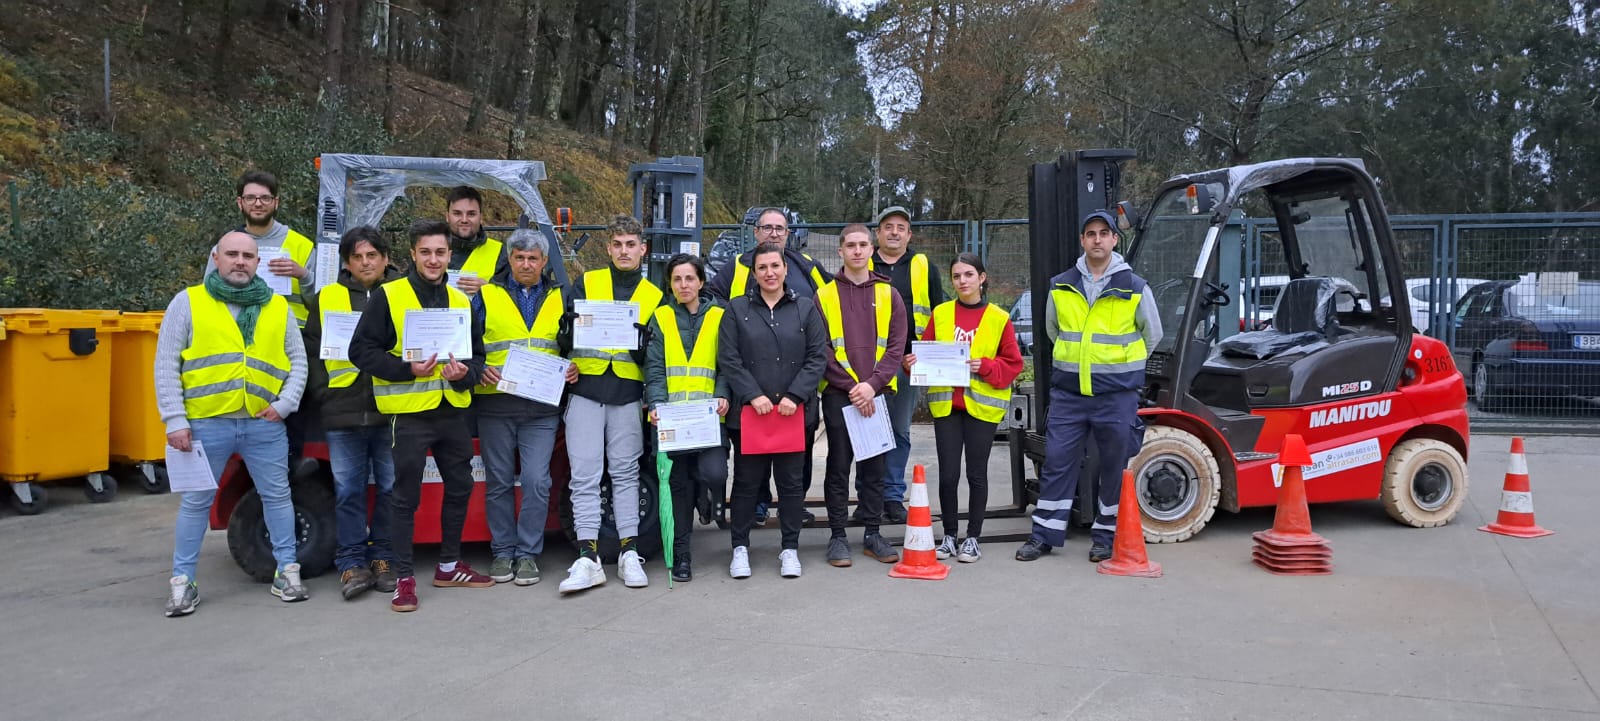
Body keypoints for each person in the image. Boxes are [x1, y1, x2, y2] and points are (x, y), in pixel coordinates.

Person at [155, 231, 309, 616]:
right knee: (195, 503)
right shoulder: (188, 302)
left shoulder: (277, 306)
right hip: (205, 425)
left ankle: (287, 571)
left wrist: (285, 405)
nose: (240, 262)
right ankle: (182, 583)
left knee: (278, 498)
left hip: (263, 424)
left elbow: (298, 362)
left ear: (258, 262)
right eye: (232, 255)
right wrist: (175, 419)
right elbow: (166, 365)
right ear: (216, 258)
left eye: (247, 256)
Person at [348, 220, 494, 612]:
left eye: (440, 252)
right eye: (425, 252)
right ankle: (405, 577)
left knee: (460, 486)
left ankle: (448, 565)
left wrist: (466, 374)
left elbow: (477, 356)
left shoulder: (461, 301)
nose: (433, 259)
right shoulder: (388, 296)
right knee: (405, 497)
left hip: (452, 411)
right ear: (412, 254)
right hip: (409, 414)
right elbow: (360, 352)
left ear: (449, 256)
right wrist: (405, 369)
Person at [1018, 210, 1162, 563]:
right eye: (1090, 234)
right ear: (1082, 241)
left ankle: (1106, 536)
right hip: (1069, 394)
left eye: (1104, 233)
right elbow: (1054, 332)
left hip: (1116, 396)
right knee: (1057, 462)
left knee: (1114, 464)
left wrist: (1118, 370)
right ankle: (1044, 536)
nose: (1097, 239)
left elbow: (1152, 335)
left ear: (1115, 240)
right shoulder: (1061, 285)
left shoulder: (1135, 287)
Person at [705, 207, 830, 525]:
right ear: (755, 232)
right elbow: (708, 296)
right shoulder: (735, 267)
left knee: (797, 454)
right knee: (751, 455)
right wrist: (731, 323)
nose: (774, 233)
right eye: (767, 228)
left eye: (780, 228)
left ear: (789, 235)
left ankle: (795, 504)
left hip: (795, 384)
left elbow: (833, 299)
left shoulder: (808, 267)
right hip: (750, 382)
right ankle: (757, 505)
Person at [557, 214, 661, 594]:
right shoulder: (587, 282)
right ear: (608, 248)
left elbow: (657, 355)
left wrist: (642, 351)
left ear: (642, 249)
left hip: (628, 395)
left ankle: (629, 552)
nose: (623, 251)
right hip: (585, 389)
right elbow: (562, 335)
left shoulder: (654, 294)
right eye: (617, 244)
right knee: (584, 476)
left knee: (626, 474)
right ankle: (587, 556)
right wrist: (566, 339)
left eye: (630, 244)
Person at [718, 242, 829, 579]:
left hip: (792, 413)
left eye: (775, 266)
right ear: (754, 273)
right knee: (746, 483)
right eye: (762, 267)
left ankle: (790, 548)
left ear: (784, 269)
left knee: (792, 484)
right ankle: (739, 549)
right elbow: (729, 359)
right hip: (750, 414)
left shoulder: (806, 309)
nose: (769, 273)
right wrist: (752, 395)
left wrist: (795, 396)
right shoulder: (736, 310)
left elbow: (817, 357)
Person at [304, 225, 403, 601]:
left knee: (391, 489)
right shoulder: (327, 297)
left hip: (390, 408)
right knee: (348, 491)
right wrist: (322, 391)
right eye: (358, 257)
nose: (366, 263)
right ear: (346, 262)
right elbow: (312, 350)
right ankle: (351, 563)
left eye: (372, 255)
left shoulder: (401, 294)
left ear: (386, 258)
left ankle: (382, 559)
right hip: (342, 411)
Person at [908, 253, 1023, 563]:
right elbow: (927, 354)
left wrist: (984, 365)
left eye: (969, 275)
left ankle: (973, 537)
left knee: (976, 475)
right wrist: (913, 364)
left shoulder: (999, 318)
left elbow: (1013, 364)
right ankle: (948, 535)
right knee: (947, 476)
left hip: (981, 409)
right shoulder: (942, 313)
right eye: (957, 276)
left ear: (982, 278)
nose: (962, 281)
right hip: (947, 406)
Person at [474, 229, 566, 587]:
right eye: (519, 257)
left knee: (537, 481)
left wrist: (572, 365)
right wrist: (479, 369)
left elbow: (570, 344)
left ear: (544, 262)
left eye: (533, 258)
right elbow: (468, 345)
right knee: (497, 481)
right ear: (509, 259)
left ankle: (527, 554)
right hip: (496, 403)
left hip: (542, 408)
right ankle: (502, 552)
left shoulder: (562, 296)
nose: (526, 264)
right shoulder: (484, 296)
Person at [817, 224, 906, 568]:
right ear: (840, 251)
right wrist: (855, 387)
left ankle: (872, 532)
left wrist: (871, 385)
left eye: (862, 245)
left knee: (874, 467)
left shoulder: (889, 294)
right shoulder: (823, 296)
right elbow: (821, 349)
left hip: (878, 393)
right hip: (841, 394)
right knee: (838, 466)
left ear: (872, 249)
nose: (856, 251)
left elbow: (896, 347)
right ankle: (838, 535)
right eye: (850, 245)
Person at [644, 254, 730, 583]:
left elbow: (726, 365)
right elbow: (653, 368)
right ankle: (682, 555)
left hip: (709, 419)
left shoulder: (720, 317)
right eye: (677, 279)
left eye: (689, 278)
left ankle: (706, 496)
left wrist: (724, 394)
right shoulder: (661, 317)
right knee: (678, 486)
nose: (684, 285)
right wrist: (655, 403)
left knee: (713, 472)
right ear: (670, 283)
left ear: (701, 282)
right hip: (673, 421)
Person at [874, 205, 944, 524]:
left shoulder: (922, 265)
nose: (894, 232)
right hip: (867, 367)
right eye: (888, 226)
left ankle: (891, 495)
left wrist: (927, 356)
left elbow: (938, 313)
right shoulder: (863, 262)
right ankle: (869, 494)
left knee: (899, 431)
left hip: (906, 365)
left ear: (909, 234)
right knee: (869, 432)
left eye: (901, 227)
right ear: (878, 233)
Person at [232, 170, 317, 327]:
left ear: (276, 202)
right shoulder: (225, 246)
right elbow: (209, 300)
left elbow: (321, 305)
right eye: (250, 198)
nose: (258, 203)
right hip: (238, 337)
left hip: (290, 337)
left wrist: (303, 275)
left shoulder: (302, 246)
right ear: (240, 202)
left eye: (265, 198)